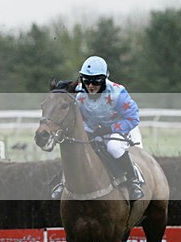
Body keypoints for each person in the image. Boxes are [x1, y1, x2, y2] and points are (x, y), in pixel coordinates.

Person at [51, 55, 145, 201]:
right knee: (75, 146)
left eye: (96, 81)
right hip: (93, 129)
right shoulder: (79, 90)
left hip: (120, 129)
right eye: (87, 80)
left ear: (104, 79)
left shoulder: (118, 93)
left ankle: (134, 181)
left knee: (113, 147)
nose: (90, 85)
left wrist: (109, 129)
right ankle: (63, 183)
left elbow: (133, 119)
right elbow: (62, 92)